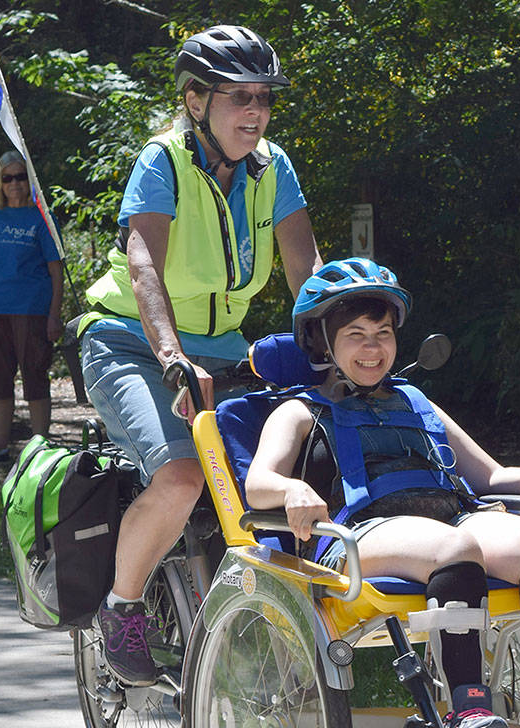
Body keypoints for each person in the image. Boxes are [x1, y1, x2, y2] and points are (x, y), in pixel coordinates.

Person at [244, 258, 520, 728]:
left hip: (451, 517)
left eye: (383, 332)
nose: (373, 347)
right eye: (356, 333)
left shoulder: (417, 402)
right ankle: (468, 711)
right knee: (456, 545)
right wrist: (290, 491)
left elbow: (487, 475)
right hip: (360, 532)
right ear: (322, 343)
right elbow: (258, 483)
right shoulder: (299, 410)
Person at [78, 25, 323, 686]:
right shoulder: (164, 160)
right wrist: (169, 354)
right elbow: (143, 265)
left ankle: (264, 645)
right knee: (184, 477)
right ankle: (122, 608)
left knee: (266, 483)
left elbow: (305, 265)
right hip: (130, 340)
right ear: (195, 101)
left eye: (264, 98)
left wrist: (334, 340)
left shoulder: (273, 165)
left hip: (225, 350)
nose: (255, 111)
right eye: (238, 97)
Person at [0, 151, 65, 468]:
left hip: (31, 309)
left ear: (29, 180)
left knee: (35, 375)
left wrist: (53, 314)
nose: (15, 183)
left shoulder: (42, 218)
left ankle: (40, 450)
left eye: (21, 176)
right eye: (8, 178)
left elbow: (56, 271)